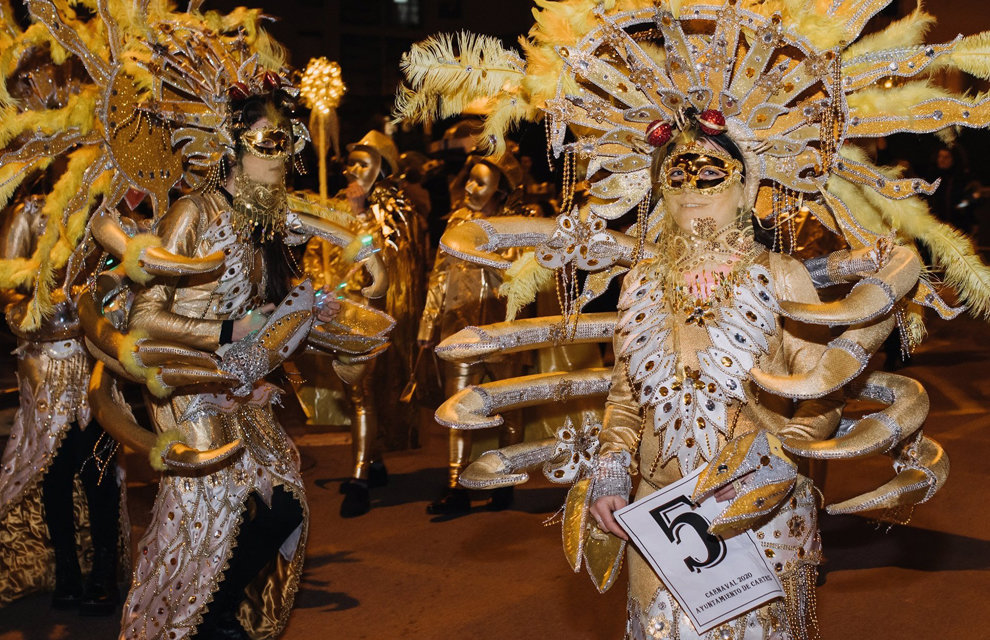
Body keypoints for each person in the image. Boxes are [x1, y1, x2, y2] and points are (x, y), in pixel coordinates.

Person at [397, 2, 984, 637]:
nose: (694, 193)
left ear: (747, 181)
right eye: (676, 177)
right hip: (659, 510)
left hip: (759, 513)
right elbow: (628, 395)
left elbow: (820, 398)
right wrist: (612, 474)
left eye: (711, 174)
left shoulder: (780, 275)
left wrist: (763, 463)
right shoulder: (643, 280)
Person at [0, 192, 123, 615]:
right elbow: (6, 287)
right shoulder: (28, 212)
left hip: (96, 357)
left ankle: (105, 567)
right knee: (53, 468)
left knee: (99, 466)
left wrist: (104, 301)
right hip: (44, 364)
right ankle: (67, 569)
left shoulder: (101, 212)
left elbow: (127, 275)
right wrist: (41, 308)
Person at [417, 152, 527, 515]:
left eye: (480, 182)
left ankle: (505, 480)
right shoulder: (456, 223)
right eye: (469, 180)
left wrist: (484, 251)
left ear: (500, 190)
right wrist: (427, 323)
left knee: (509, 410)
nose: (470, 188)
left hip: (504, 333)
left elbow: (519, 278)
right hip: (459, 330)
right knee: (457, 410)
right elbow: (439, 276)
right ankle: (455, 485)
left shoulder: (516, 227)